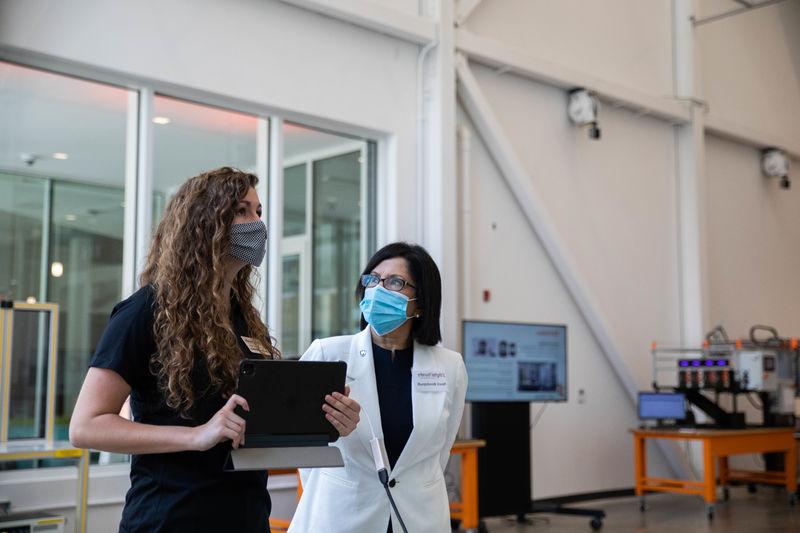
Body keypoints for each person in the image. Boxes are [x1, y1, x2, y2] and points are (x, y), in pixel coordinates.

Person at [68, 167, 360, 533]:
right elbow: (85, 427)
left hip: (245, 517)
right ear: (203, 223)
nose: (256, 223)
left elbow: (247, 425)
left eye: (258, 212)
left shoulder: (242, 318)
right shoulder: (145, 311)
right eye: (241, 211)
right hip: (170, 519)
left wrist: (326, 419)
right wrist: (196, 435)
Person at [289, 242, 467, 533]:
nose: (378, 289)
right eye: (373, 279)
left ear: (421, 303)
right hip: (343, 515)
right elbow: (302, 450)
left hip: (418, 518)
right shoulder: (328, 354)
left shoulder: (450, 366)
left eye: (395, 282)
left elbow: (440, 451)